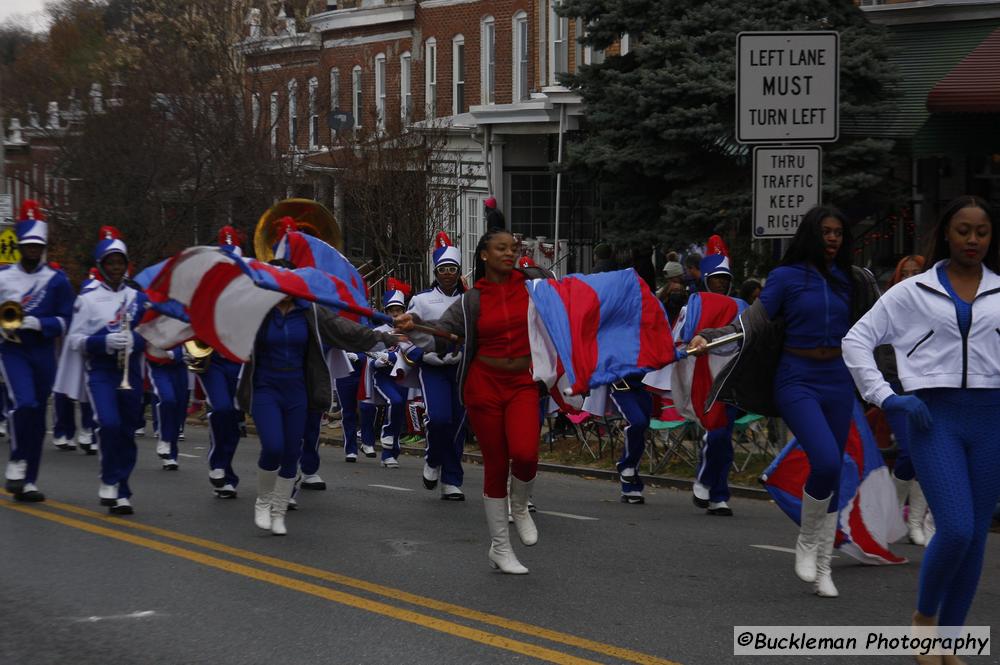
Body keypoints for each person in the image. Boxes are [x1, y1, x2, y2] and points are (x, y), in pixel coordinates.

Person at [689, 205, 880, 598]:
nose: (833, 239)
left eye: (839, 233)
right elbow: (752, 322)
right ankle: (808, 541)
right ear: (811, 235)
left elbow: (879, 326)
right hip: (797, 379)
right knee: (825, 459)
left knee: (834, 469)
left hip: (838, 380)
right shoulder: (786, 278)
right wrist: (710, 336)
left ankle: (824, 564)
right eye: (826, 232)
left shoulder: (854, 279)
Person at [843, 195, 1000, 654]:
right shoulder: (912, 292)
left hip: (992, 423)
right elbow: (856, 342)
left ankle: (949, 644)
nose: (972, 239)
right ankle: (924, 620)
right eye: (963, 230)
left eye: (982, 231)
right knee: (954, 529)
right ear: (945, 234)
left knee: (975, 539)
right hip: (935, 420)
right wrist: (888, 397)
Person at [395, 228, 552, 575]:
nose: (509, 253)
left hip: (523, 382)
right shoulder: (471, 301)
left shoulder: (533, 287)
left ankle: (521, 505)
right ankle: (500, 548)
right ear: (484, 255)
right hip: (485, 385)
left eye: (513, 248)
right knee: (497, 463)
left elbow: (564, 303)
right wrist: (414, 323)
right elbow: (440, 337)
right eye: (501, 248)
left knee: (526, 454)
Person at [237, 260, 397, 536]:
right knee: (273, 446)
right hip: (266, 388)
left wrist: (386, 337)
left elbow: (344, 330)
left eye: (290, 281)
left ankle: (279, 510)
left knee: (291, 451)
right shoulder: (257, 311)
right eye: (279, 280)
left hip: (297, 389)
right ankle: (263, 500)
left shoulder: (310, 310)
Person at [58, 227, 146, 514]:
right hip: (101, 372)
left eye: (120, 262)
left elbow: (152, 332)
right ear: (101, 266)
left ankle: (123, 489)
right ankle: (109, 480)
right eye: (110, 263)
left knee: (127, 431)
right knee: (108, 423)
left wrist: (136, 340)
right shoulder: (88, 298)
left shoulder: (137, 297)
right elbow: (74, 340)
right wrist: (104, 341)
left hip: (131, 372)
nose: (116, 267)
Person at [0, 200, 74, 502]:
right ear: (19, 244)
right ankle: (17, 459)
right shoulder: (3, 277)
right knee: (25, 404)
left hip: (43, 352)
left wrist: (38, 322)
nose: (33, 250)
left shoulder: (57, 280)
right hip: (12, 350)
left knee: (37, 416)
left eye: (38, 245)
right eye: (28, 245)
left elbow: (67, 320)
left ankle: (29, 480)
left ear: (43, 247)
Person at [405, 233, 467, 500]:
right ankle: (432, 460)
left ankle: (452, 480)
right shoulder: (421, 300)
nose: (448, 274)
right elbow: (404, 336)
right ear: (436, 271)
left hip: (461, 370)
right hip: (433, 369)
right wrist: (420, 354)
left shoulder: (470, 300)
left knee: (458, 424)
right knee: (439, 419)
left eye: (452, 269)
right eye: (443, 269)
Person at [880, 254, 932, 546]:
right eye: (905, 272)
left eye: (917, 271)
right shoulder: (890, 303)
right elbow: (882, 350)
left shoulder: (936, 301)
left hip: (930, 388)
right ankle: (891, 518)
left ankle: (915, 522)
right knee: (909, 451)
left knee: (925, 454)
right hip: (898, 387)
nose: (911, 276)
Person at [689, 252, 743, 517]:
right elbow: (683, 337)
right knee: (716, 432)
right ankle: (706, 480)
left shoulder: (742, 305)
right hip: (705, 375)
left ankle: (718, 495)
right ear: (707, 281)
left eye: (724, 279)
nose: (720, 284)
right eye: (715, 279)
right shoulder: (696, 304)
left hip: (734, 377)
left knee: (723, 436)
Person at [199, 227, 246, 498]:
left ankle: (227, 474)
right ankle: (217, 463)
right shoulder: (207, 287)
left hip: (239, 361)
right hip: (213, 360)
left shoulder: (250, 288)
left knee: (234, 419)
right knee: (222, 409)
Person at [363, 279, 410, 469]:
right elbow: (369, 355)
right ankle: (385, 436)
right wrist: (381, 358)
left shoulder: (410, 331)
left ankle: (390, 454)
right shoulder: (379, 331)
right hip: (382, 377)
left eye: (399, 309)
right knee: (395, 402)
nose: (396, 313)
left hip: (403, 377)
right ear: (386, 312)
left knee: (399, 413)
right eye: (392, 310)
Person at [146, 343, 187, 470]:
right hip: (158, 365)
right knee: (168, 399)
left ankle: (171, 456)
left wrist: (177, 353)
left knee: (178, 410)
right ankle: (164, 439)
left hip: (180, 366)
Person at [657, 261, 687, 326]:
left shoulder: (681, 289)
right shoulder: (667, 290)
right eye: (668, 279)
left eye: (672, 279)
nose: (670, 282)